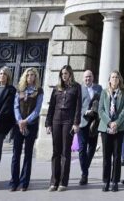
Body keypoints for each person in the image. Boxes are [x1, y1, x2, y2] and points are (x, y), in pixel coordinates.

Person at [46, 64, 82, 192]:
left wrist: (76, 123)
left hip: (68, 120)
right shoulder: (57, 88)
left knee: (65, 151)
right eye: (62, 74)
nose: (64, 76)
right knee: (56, 151)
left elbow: (78, 106)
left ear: (70, 74)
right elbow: (51, 106)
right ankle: (53, 182)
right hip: (56, 119)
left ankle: (63, 182)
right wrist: (48, 123)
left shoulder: (76, 87)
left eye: (66, 73)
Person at [9, 67, 43, 191]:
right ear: (25, 76)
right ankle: (14, 182)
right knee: (16, 154)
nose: (30, 77)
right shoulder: (20, 90)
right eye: (28, 75)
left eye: (32, 75)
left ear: (35, 77)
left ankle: (24, 183)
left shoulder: (39, 91)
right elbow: (16, 106)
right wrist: (19, 121)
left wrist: (26, 121)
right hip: (18, 126)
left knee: (28, 154)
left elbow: (37, 110)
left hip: (31, 125)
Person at [99, 70, 124, 192]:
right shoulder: (104, 92)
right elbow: (100, 110)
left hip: (119, 127)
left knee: (117, 156)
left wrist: (116, 123)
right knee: (106, 156)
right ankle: (105, 181)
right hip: (105, 128)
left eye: (117, 77)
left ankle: (115, 181)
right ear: (109, 80)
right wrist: (109, 122)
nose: (115, 79)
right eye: (112, 77)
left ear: (119, 79)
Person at [78, 69, 103, 186]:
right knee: (82, 149)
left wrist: (96, 112)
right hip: (82, 122)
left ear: (93, 77)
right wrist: (85, 111)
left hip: (94, 123)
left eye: (90, 76)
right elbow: (77, 106)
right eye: (86, 77)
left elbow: (102, 103)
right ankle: (85, 173)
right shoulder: (79, 89)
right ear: (83, 79)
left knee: (92, 148)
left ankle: (84, 168)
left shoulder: (99, 88)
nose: (88, 79)